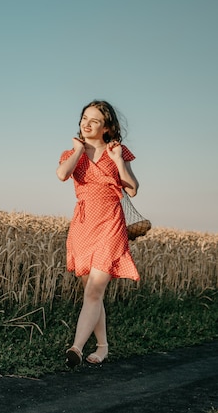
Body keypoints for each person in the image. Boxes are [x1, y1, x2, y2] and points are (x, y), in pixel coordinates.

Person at [56, 100, 140, 367]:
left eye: (94, 120)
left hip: (110, 223)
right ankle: (102, 347)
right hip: (82, 225)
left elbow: (133, 188)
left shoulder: (118, 151)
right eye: (84, 118)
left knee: (94, 291)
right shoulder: (73, 152)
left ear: (107, 127)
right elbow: (62, 174)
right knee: (92, 292)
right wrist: (78, 150)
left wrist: (117, 161)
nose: (86, 123)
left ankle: (76, 348)